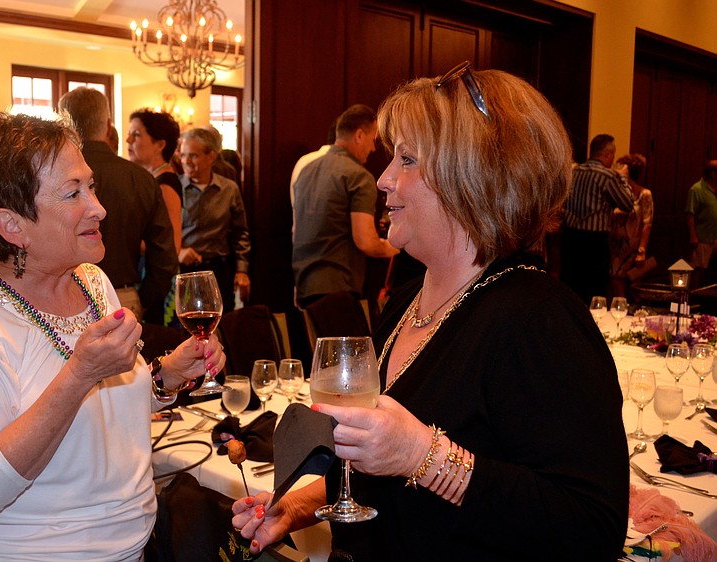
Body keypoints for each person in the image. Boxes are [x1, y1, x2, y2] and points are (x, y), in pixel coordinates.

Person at [233, 66, 628, 561]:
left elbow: (591, 529)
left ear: (475, 174)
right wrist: (296, 507)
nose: (384, 179)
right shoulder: (406, 299)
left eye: (407, 159)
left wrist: (425, 457)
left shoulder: (539, 318)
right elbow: (378, 474)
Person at [0, 113, 225, 560]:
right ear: (12, 225)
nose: (98, 207)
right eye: (72, 193)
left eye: (91, 186)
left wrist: (164, 378)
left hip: (131, 548)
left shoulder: (91, 281)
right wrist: (78, 374)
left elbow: (102, 416)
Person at [58, 88, 178, 324]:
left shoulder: (53, 175)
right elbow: (165, 258)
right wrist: (142, 299)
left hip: (64, 297)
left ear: (64, 123)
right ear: (108, 124)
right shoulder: (140, 178)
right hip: (124, 297)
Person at [291, 104, 398, 309]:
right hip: (338, 286)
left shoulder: (306, 169)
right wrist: (392, 248)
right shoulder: (358, 176)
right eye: (372, 139)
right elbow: (366, 242)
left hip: (303, 284)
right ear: (359, 135)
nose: (373, 148)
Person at [179, 127, 251, 311]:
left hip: (219, 271)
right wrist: (178, 250)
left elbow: (240, 233)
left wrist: (242, 271)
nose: (186, 161)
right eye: (183, 155)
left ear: (210, 157)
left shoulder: (229, 189)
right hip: (184, 271)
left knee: (221, 326)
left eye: (193, 156)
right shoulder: (174, 189)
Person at [561, 133, 633, 303]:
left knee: (570, 288)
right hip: (594, 243)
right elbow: (627, 203)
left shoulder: (574, 171)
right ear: (608, 154)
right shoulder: (607, 176)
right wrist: (622, 176)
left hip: (570, 239)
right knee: (593, 291)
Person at [126, 109, 183, 253]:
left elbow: (172, 246)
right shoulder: (151, 180)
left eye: (136, 135)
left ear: (160, 145)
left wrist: (121, 240)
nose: (128, 140)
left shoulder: (165, 185)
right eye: (129, 134)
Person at [609, 153, 653, 297]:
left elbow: (647, 223)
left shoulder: (644, 194)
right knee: (614, 282)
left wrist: (642, 250)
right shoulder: (618, 193)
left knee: (625, 283)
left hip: (632, 247)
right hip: (615, 247)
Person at [685, 160, 717, 288]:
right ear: (713, 174)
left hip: (714, 237)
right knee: (698, 270)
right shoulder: (697, 189)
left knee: (712, 270)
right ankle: (695, 296)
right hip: (702, 238)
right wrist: (693, 235)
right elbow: (690, 214)